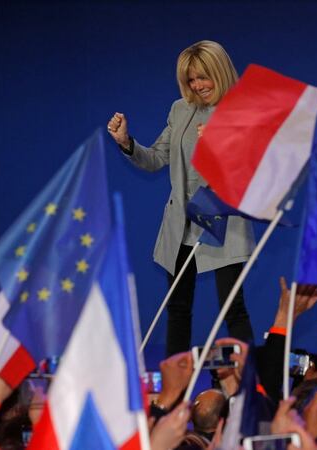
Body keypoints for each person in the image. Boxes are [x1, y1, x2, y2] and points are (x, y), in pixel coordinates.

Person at [106, 40, 255, 356]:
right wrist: (126, 142)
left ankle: (248, 379)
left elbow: (248, 174)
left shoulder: (241, 111)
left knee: (233, 308)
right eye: (191, 79)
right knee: (177, 308)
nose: (197, 86)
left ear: (220, 72)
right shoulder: (180, 109)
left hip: (222, 220)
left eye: (203, 77)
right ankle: (176, 380)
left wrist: (217, 149)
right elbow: (156, 158)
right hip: (182, 223)